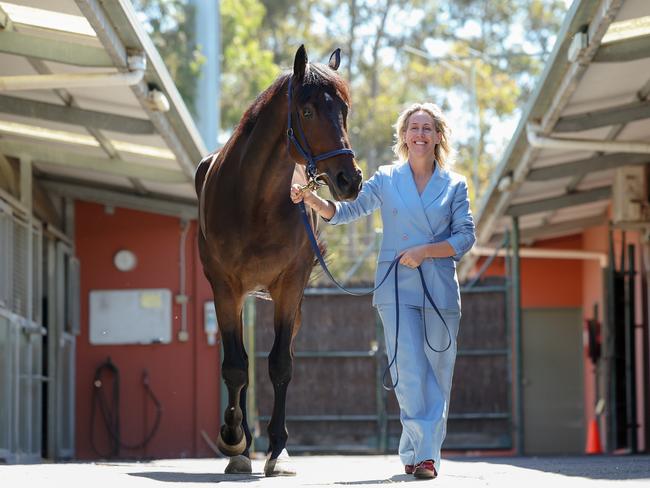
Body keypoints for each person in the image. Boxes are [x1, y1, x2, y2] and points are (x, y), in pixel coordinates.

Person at [290, 102, 476, 479]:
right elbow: (346, 212)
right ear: (403, 136)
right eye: (414, 128)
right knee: (408, 370)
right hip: (395, 290)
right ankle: (425, 457)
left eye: (427, 128)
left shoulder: (455, 184)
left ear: (438, 136)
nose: (420, 134)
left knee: (437, 373)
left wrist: (425, 251)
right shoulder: (386, 178)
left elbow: (465, 237)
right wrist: (312, 200)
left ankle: (416, 451)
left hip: (439, 291)